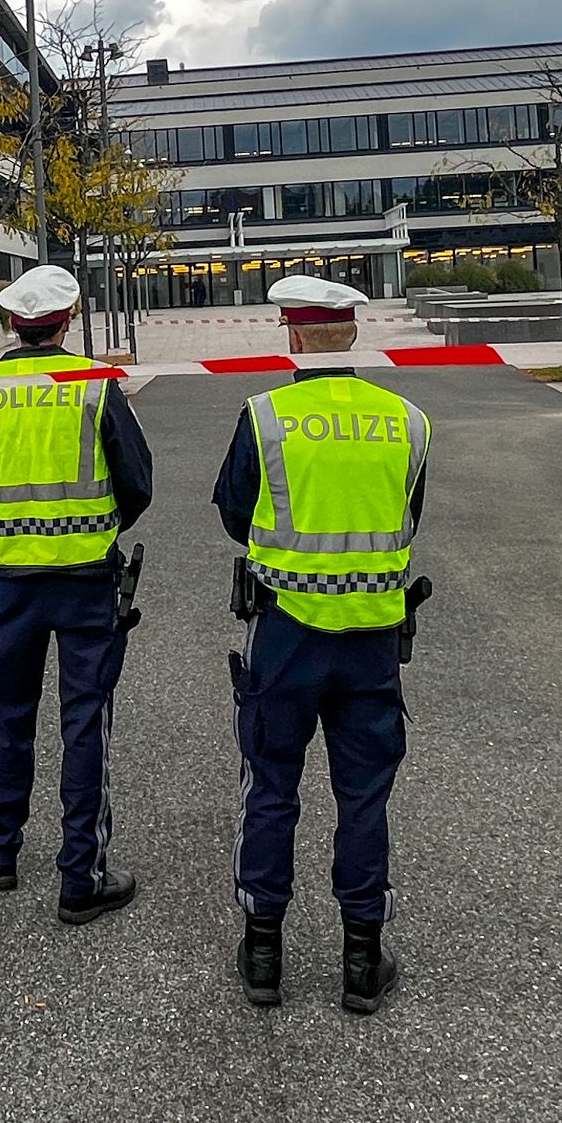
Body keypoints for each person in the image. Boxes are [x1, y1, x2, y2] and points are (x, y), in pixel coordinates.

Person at [211, 275, 431, 1013]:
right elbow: (409, 515)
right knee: (363, 795)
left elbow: (234, 513)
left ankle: (263, 953)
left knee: (271, 786)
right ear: (352, 334)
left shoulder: (265, 416)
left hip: (284, 632)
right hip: (372, 637)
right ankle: (362, 958)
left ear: (295, 336)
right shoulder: (408, 420)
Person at [0, 265, 154, 924]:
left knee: (8, 714)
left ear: (12, 323)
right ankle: (81, 876)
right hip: (86, 582)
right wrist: (95, 528)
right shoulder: (93, 384)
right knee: (84, 721)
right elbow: (137, 481)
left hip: (10, 585)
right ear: (67, 320)